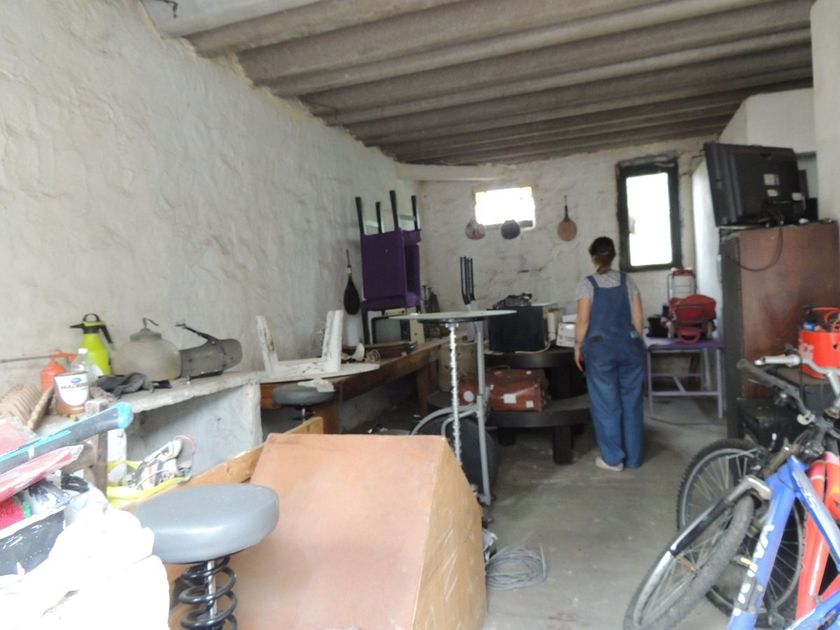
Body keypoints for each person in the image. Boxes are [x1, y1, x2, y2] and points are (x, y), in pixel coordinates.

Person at [573, 236, 645, 472]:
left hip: (600, 351)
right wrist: (633, 341)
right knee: (631, 402)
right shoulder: (627, 281)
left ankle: (613, 460)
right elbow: (638, 319)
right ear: (613, 256)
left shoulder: (587, 284)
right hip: (630, 347)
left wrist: (577, 345)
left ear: (593, 258)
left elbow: (583, 320)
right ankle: (634, 458)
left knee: (606, 404)